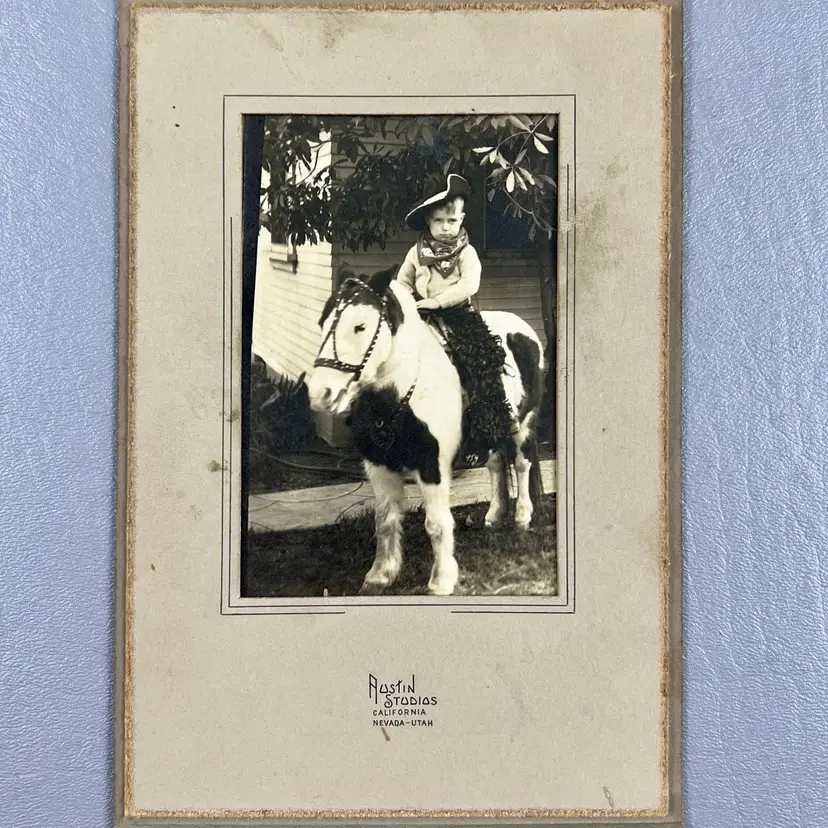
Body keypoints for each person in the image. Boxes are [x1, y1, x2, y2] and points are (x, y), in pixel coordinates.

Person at [395, 173, 514, 464]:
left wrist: (437, 301)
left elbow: (469, 285)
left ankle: (486, 429)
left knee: (482, 360)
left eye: (452, 221)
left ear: (461, 220)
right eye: (439, 221)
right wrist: (407, 301)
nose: (446, 228)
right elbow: (402, 282)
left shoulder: (466, 252)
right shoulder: (416, 252)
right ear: (428, 221)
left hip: (458, 315)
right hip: (422, 315)